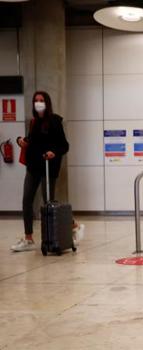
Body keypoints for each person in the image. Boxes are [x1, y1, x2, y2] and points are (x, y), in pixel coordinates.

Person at [10, 91, 84, 252]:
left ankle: (73, 225)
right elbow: (32, 140)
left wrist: (54, 152)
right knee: (26, 200)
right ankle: (28, 238)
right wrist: (20, 141)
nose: (38, 103)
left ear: (47, 102)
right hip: (33, 166)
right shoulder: (34, 122)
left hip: (48, 167)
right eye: (36, 100)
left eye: (41, 100)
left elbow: (64, 145)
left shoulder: (55, 121)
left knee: (48, 201)